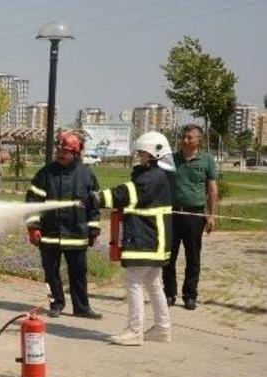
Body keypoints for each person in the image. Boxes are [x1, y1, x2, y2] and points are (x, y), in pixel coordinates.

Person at [84, 132, 175, 345]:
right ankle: (162, 328)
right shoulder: (158, 175)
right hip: (155, 238)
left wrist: (96, 198)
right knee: (153, 283)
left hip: (147, 237)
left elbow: (126, 194)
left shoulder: (151, 177)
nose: (140, 156)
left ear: (154, 154)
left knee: (133, 280)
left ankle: (135, 331)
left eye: (143, 153)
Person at [25, 132, 102, 319]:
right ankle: (55, 304)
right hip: (49, 234)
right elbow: (32, 202)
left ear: (75, 153)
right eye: (59, 150)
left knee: (78, 274)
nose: (60, 154)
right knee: (50, 273)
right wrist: (34, 227)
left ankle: (81, 307)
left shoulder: (86, 175)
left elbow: (94, 206)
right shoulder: (45, 174)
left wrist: (93, 229)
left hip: (76, 234)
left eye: (65, 151)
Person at [162, 124, 219, 310]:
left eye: (190, 137)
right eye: (183, 137)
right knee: (168, 255)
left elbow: (212, 189)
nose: (185, 140)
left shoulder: (207, 160)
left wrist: (211, 215)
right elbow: (160, 183)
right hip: (171, 213)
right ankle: (169, 293)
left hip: (194, 215)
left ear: (199, 140)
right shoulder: (171, 159)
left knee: (193, 257)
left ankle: (190, 295)